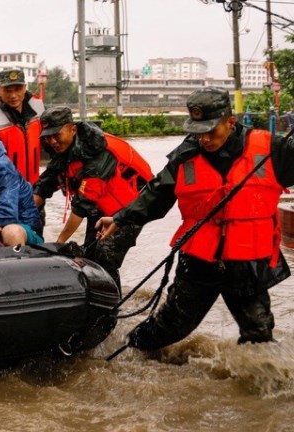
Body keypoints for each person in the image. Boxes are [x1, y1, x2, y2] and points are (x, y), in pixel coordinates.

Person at [96, 87, 294, 352]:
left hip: (248, 261)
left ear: (230, 121)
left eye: (212, 131)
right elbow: (156, 193)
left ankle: (259, 383)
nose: (205, 139)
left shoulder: (271, 148)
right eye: (199, 131)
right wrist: (120, 218)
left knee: (258, 333)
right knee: (173, 325)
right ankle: (130, 349)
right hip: (200, 260)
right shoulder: (185, 155)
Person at [32, 106, 152, 288]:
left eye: (57, 134)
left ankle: (112, 308)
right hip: (101, 208)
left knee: (104, 256)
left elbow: (81, 206)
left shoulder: (98, 153)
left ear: (72, 129)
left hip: (131, 208)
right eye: (48, 137)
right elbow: (45, 185)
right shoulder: (63, 151)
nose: (53, 141)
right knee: (89, 257)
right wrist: (24, 213)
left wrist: (59, 242)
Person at [0, 68, 45, 185]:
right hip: (7, 190)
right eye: (7, 91)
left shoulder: (38, 107)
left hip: (35, 188)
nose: (13, 95)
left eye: (18, 89)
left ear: (25, 88)